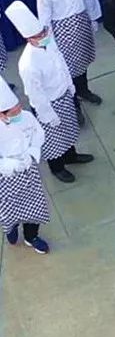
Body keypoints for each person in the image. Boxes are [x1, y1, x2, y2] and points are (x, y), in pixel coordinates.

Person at [5, 1, 95, 183]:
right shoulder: (28, 63)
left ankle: (71, 155)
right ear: (29, 38)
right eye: (38, 35)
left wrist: (70, 86)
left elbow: (61, 64)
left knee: (69, 129)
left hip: (63, 94)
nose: (43, 36)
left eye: (43, 32)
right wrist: (47, 115)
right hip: (48, 103)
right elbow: (35, 93)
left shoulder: (50, 43)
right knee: (53, 138)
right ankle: (57, 167)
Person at [36, 0, 103, 127]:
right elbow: (45, 19)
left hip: (81, 20)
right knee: (66, 70)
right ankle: (74, 106)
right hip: (61, 30)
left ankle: (84, 89)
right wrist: (48, 43)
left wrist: (93, 18)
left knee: (82, 61)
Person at [0, 80, 52, 254]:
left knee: (35, 203)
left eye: (18, 107)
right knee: (9, 208)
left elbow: (38, 133)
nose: (19, 112)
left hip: (28, 169)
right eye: (14, 111)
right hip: (6, 177)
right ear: (2, 115)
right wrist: (8, 164)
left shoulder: (26, 117)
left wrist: (32, 152)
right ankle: (11, 227)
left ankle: (32, 236)